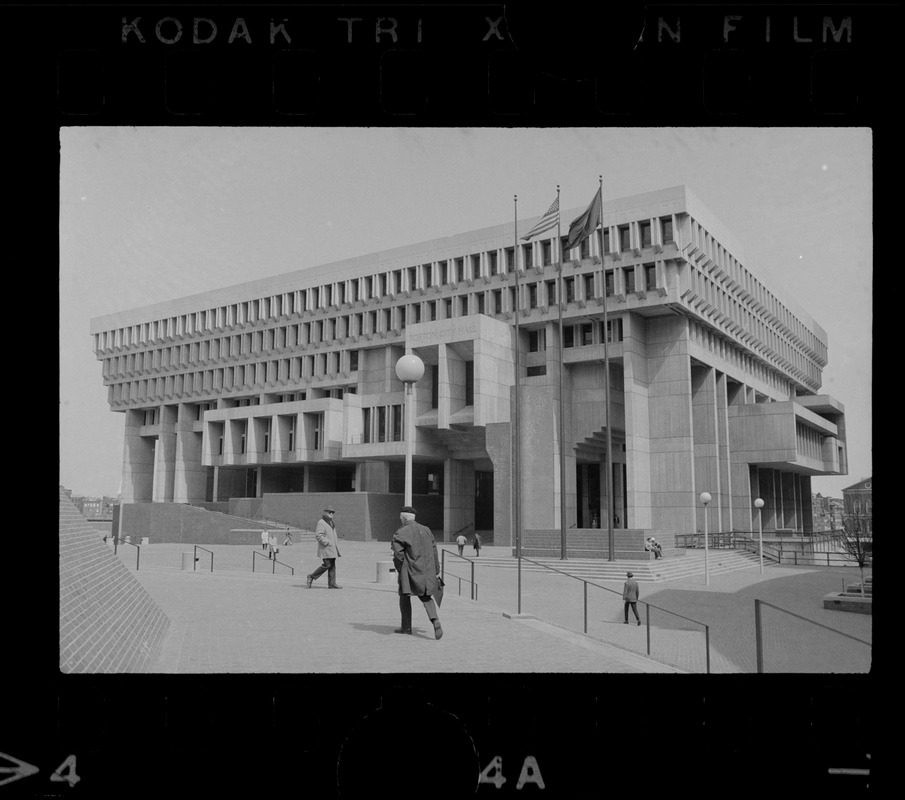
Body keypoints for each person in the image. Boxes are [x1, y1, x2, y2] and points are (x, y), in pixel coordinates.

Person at [391, 505, 443, 639]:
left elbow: (398, 554)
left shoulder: (401, 532)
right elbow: (434, 550)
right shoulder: (426, 530)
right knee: (426, 597)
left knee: (404, 596)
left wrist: (400, 568)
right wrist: (436, 569)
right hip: (427, 571)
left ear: (403, 518)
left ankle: (406, 627)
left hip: (409, 571)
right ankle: (435, 620)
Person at [306, 507, 342, 589]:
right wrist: (327, 542)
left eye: (333, 512)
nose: (332, 514)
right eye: (330, 512)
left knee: (332, 565)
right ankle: (311, 576)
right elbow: (319, 535)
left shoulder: (331, 522)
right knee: (327, 564)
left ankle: (332, 584)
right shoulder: (321, 522)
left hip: (332, 548)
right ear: (325, 512)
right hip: (326, 548)